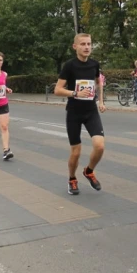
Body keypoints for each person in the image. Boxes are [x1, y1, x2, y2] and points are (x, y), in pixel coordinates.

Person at [54, 33, 106, 195]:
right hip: (74, 113)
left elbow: (99, 82)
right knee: (76, 152)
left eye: (89, 44)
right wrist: (75, 93)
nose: (87, 47)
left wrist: (101, 101)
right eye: (83, 44)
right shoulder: (69, 66)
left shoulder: (94, 64)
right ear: (75, 46)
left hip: (91, 111)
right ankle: (72, 178)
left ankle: (89, 171)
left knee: (100, 146)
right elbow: (57, 90)